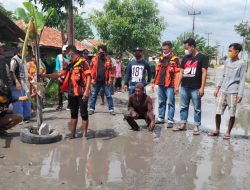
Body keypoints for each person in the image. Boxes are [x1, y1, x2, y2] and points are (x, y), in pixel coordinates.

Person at [41, 45, 91, 139]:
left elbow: (89, 76)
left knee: (84, 113)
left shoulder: (83, 62)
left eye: (67, 53)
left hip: (82, 93)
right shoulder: (70, 64)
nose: (66, 55)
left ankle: (85, 134)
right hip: (71, 93)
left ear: (71, 52)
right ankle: (72, 134)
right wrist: (45, 75)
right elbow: (59, 74)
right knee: (73, 113)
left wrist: (87, 91)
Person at [208, 43, 247, 140]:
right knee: (218, 112)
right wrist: (217, 88)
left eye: (231, 51)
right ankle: (217, 130)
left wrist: (240, 94)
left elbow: (242, 79)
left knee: (232, 113)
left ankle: (228, 132)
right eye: (228, 50)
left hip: (233, 92)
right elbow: (223, 76)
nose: (229, 52)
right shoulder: (227, 61)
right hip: (223, 90)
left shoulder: (242, 63)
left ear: (237, 52)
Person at [173, 38, 208, 135]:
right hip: (184, 87)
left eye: (187, 48)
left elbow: (204, 73)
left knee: (197, 108)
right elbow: (181, 72)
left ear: (192, 47)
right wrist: (177, 86)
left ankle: (196, 126)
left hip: (196, 88)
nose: (186, 50)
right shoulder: (185, 58)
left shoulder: (202, 57)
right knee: (183, 106)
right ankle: (183, 124)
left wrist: (202, 88)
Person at [152, 41, 180, 127]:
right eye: (163, 49)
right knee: (161, 102)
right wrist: (153, 83)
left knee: (171, 103)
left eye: (166, 49)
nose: (164, 51)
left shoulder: (175, 59)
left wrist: (176, 86)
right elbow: (157, 71)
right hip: (161, 84)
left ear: (170, 49)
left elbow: (178, 73)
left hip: (170, 85)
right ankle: (160, 118)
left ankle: (170, 120)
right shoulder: (161, 58)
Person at [89, 45, 115, 115]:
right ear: (98, 51)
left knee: (109, 95)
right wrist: (91, 79)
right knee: (94, 95)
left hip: (105, 81)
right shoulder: (93, 59)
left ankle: (111, 109)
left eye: (102, 52)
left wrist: (110, 79)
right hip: (96, 81)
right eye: (100, 52)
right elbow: (90, 70)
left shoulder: (108, 60)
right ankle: (91, 109)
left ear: (105, 52)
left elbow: (110, 71)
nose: (101, 53)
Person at [9, 44, 31, 122]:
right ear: (21, 51)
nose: (27, 52)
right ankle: (18, 118)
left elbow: (24, 70)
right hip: (17, 84)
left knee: (27, 100)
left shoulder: (23, 59)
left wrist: (29, 77)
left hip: (25, 83)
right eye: (26, 50)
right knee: (18, 102)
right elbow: (12, 72)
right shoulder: (14, 60)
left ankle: (26, 117)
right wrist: (16, 81)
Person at [55, 45, 70, 111]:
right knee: (60, 91)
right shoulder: (58, 56)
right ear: (62, 51)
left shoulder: (69, 57)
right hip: (61, 76)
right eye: (64, 51)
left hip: (68, 76)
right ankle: (60, 105)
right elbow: (57, 66)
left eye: (66, 51)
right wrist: (58, 77)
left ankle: (69, 104)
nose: (65, 52)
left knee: (69, 91)